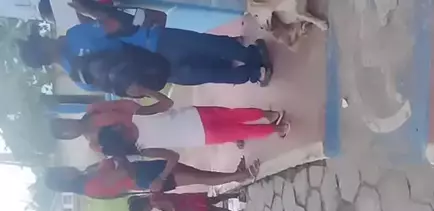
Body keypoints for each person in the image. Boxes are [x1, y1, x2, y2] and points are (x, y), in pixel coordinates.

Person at [17, 0, 273, 88]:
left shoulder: (79, 79)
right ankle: (253, 55)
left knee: (207, 74)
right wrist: (91, 12)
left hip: (156, 71)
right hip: (155, 41)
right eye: (41, 40)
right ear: (42, 47)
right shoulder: (75, 36)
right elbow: (113, 25)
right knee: (206, 45)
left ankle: (253, 74)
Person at [50, 94, 289, 154]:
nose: (69, 130)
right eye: (65, 133)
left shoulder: (94, 111)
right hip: (182, 135)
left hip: (173, 119)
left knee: (230, 117)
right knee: (233, 128)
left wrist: (140, 108)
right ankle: (273, 127)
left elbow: (125, 104)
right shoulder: (97, 146)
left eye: (64, 125)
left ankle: (266, 116)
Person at [44, 154, 259, 199]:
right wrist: (117, 156)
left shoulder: (86, 174)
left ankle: (235, 175)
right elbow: (122, 174)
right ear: (65, 181)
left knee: (196, 173)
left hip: (142, 170)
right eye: (63, 172)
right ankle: (240, 175)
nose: (67, 167)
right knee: (196, 178)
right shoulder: (90, 186)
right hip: (144, 177)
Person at [127, 190, 248, 211]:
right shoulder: (153, 196)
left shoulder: (154, 202)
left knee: (214, 208)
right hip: (188, 201)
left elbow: (170, 204)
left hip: (190, 205)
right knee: (214, 202)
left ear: (143, 206)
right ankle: (236, 196)